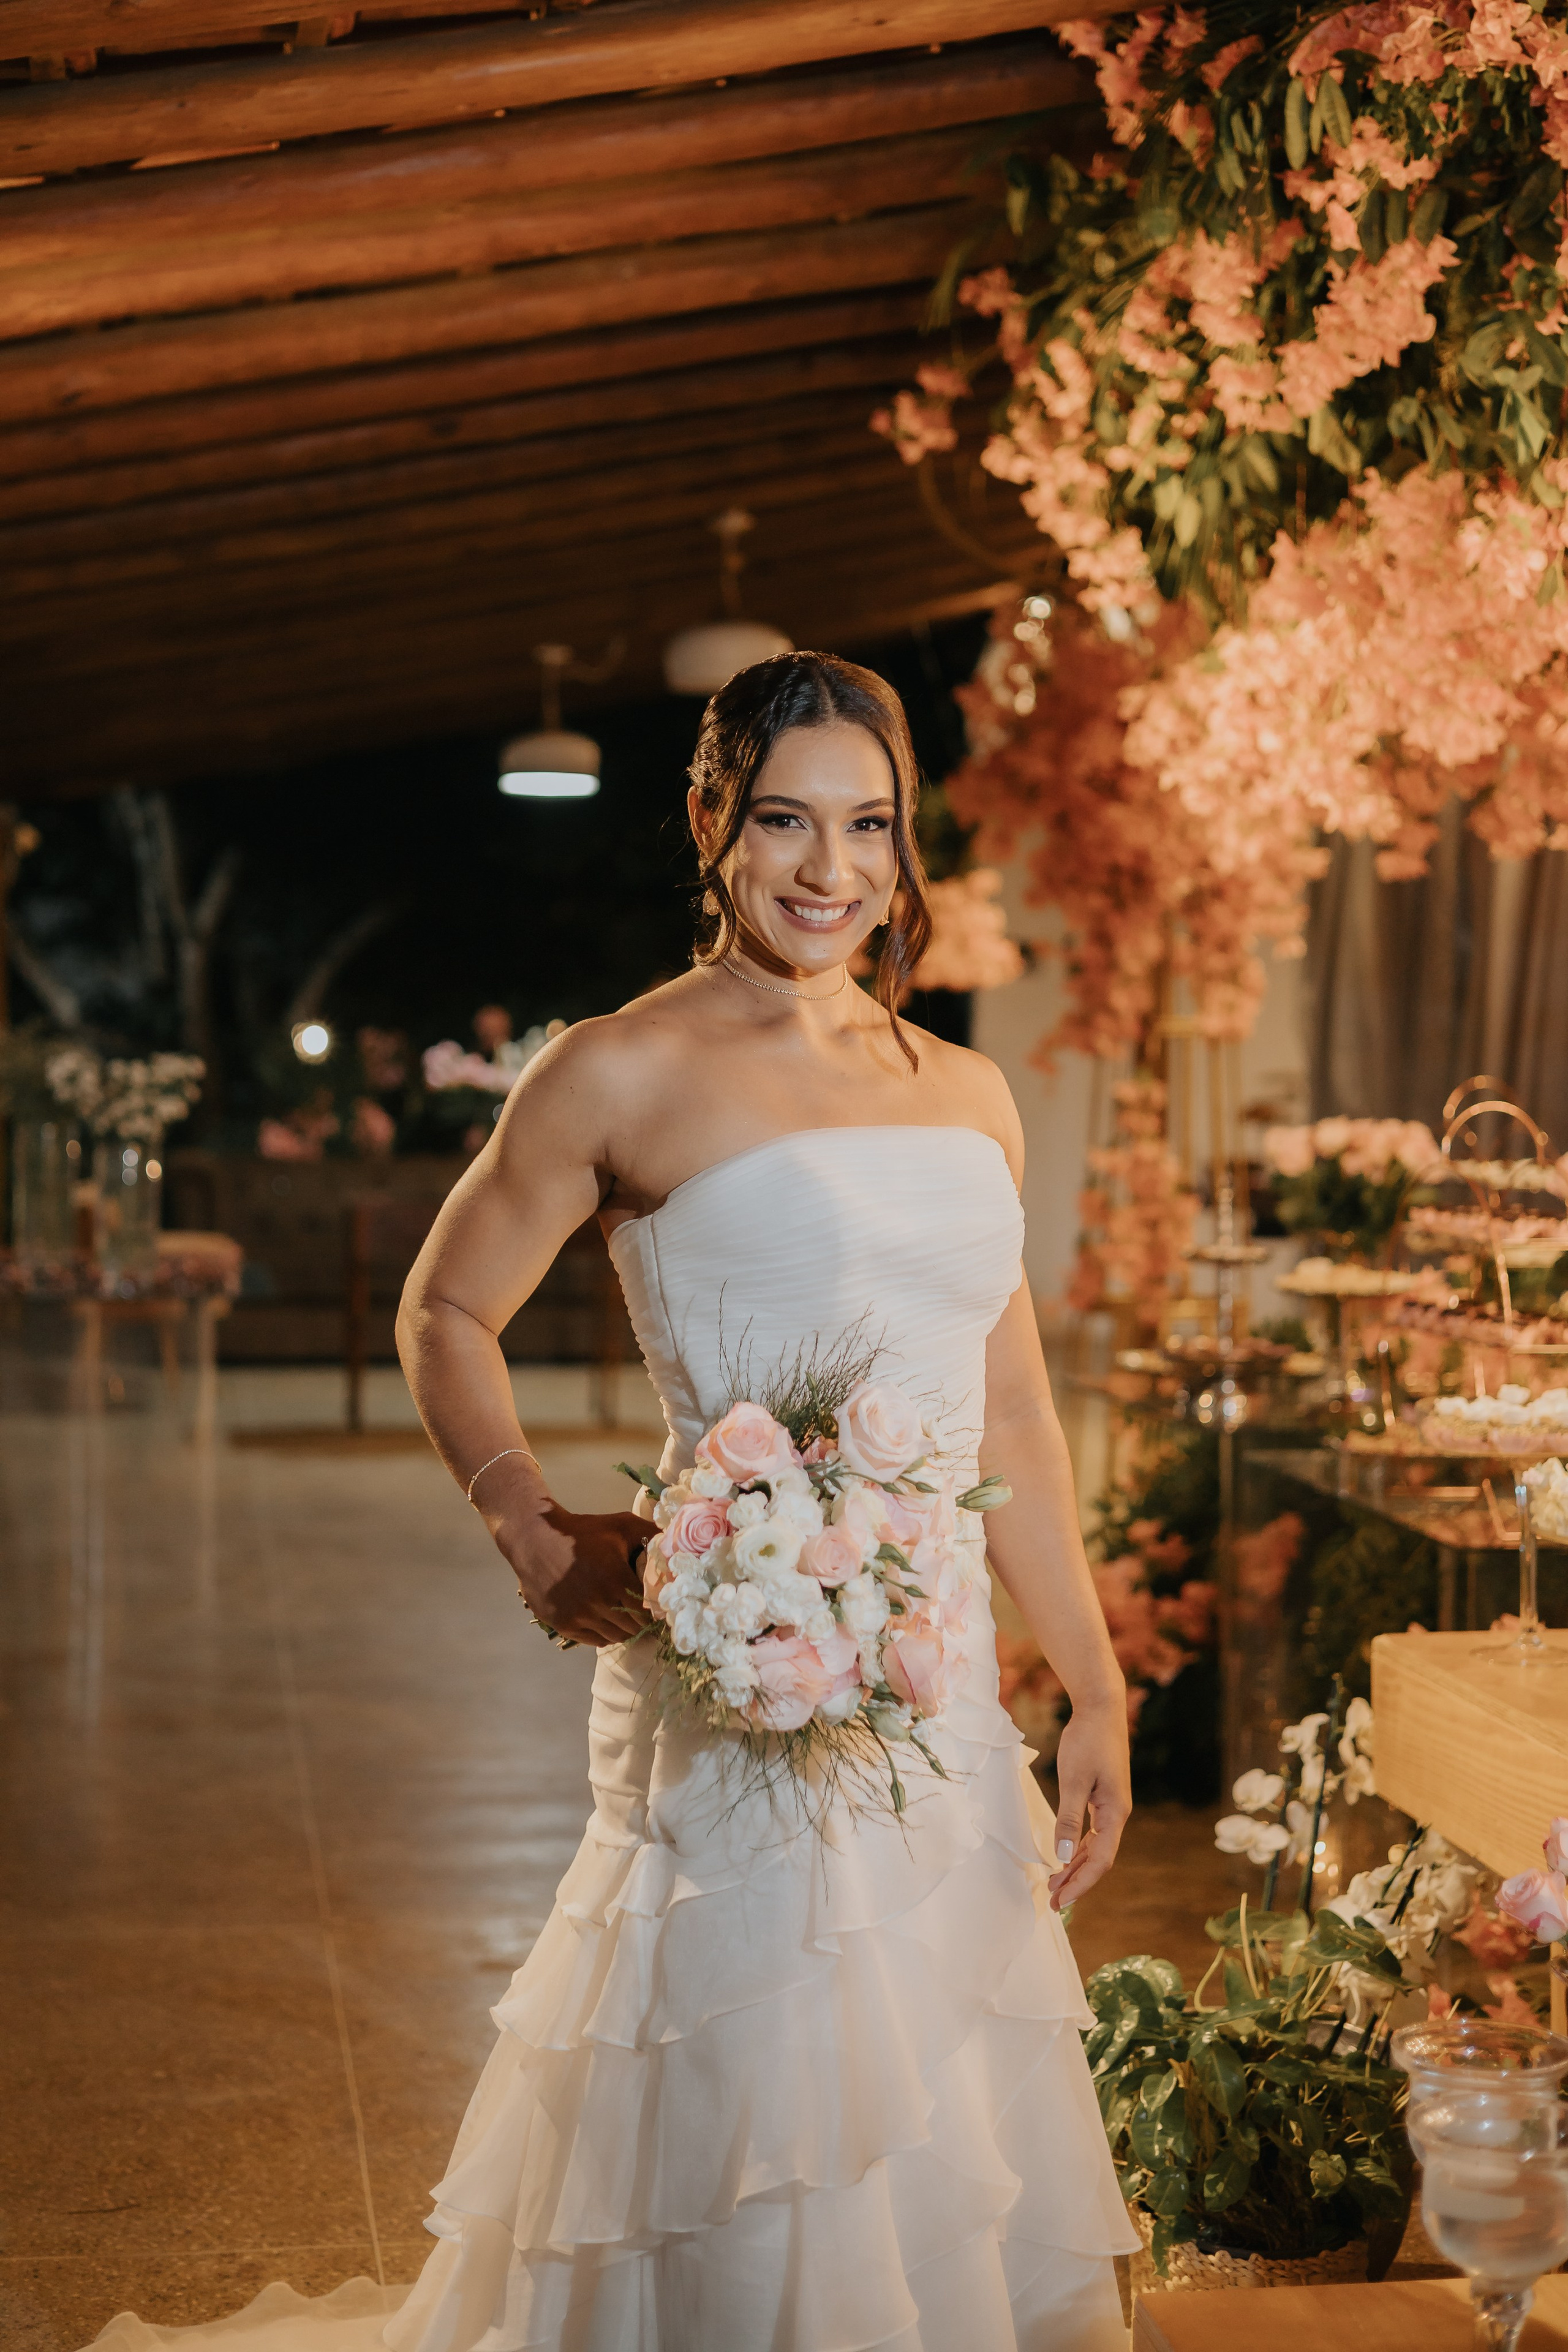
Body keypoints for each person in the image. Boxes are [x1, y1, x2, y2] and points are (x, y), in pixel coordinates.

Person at [88, 653, 1135, 2352]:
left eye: (867, 828)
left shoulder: (972, 1095)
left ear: (904, 844)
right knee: (748, 2097)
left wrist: (1091, 1684)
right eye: (787, 821)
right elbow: (446, 1309)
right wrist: (528, 1522)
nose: (828, 870)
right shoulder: (618, 1069)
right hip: (740, 1692)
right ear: (714, 822)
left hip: (939, 1707)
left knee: (939, 2105)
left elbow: (1012, 1406)